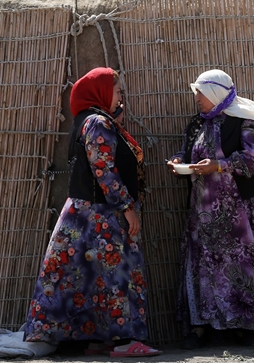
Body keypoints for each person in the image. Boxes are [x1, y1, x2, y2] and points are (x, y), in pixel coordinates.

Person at [23, 67, 161, 357]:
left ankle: (99, 338)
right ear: (100, 92)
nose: (121, 96)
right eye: (117, 90)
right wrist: (127, 207)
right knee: (116, 274)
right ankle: (124, 340)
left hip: (82, 213)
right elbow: (104, 169)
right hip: (101, 215)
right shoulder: (97, 122)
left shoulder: (86, 121)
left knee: (84, 275)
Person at [167, 69, 254, 349]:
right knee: (213, 268)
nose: (197, 100)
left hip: (247, 209)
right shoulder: (198, 124)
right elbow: (188, 150)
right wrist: (179, 160)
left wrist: (219, 165)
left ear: (216, 93)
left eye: (200, 94)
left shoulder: (247, 120)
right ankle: (220, 328)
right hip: (207, 213)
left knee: (253, 264)